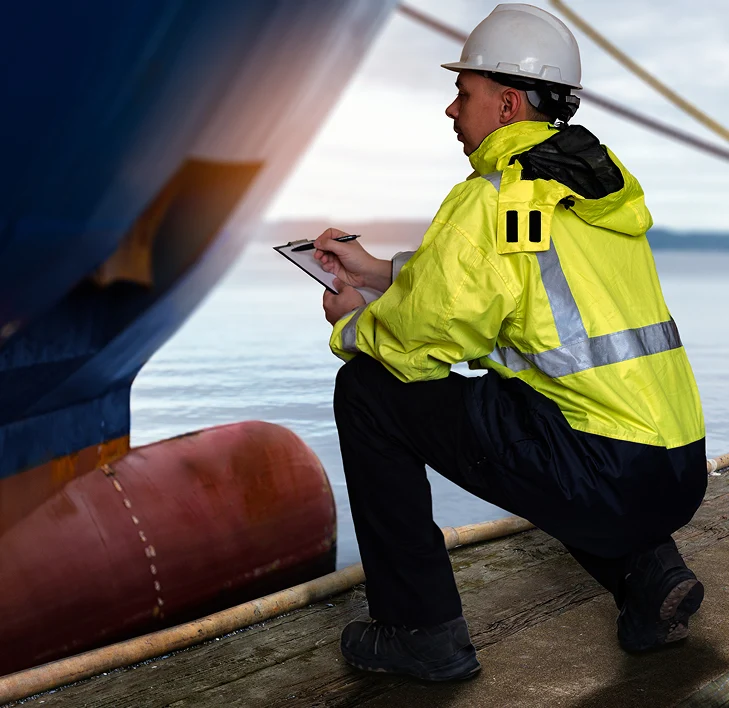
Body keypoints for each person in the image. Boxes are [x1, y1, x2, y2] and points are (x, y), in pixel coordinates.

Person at [314, 3, 707, 682]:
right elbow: (488, 279)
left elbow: (418, 342)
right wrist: (378, 273)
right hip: (676, 476)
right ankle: (648, 580)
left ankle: (420, 631)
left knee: (368, 389)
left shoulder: (493, 198)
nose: (449, 110)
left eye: (461, 94)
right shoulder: (592, 187)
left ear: (504, 104)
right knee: (536, 402)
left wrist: (350, 323)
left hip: (606, 479)